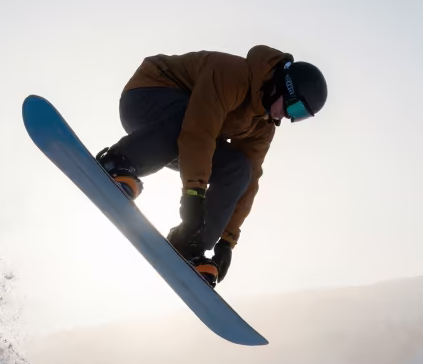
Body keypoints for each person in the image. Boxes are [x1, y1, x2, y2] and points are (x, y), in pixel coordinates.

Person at [96, 45, 328, 286]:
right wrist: (193, 195)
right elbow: (199, 129)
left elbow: (250, 180)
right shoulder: (234, 74)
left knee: (239, 169)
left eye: (299, 117)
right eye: (295, 108)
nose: (289, 117)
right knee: (189, 116)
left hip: (182, 137)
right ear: (286, 86)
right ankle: (118, 161)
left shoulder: (263, 124)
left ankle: (191, 244)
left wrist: (227, 241)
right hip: (147, 97)